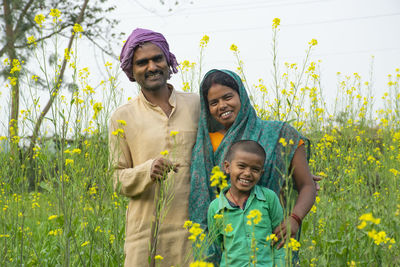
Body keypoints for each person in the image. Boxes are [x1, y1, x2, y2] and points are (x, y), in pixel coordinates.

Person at [189, 69, 316, 264]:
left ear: (242, 96)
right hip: (229, 248)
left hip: (272, 242)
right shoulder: (206, 144)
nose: (222, 106)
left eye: (228, 97)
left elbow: (306, 185)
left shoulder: (280, 133)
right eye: (213, 102)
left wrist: (295, 219)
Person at [109, 28, 200, 266]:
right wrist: (146, 171)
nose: (151, 67)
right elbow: (116, 178)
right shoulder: (122, 116)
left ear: (168, 61)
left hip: (194, 232)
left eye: (157, 58)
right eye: (142, 62)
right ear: (131, 70)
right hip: (145, 234)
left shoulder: (197, 105)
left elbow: (232, 149)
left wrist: (294, 165)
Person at [207, 140, 285, 267]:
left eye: (255, 169)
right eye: (241, 166)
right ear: (227, 167)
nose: (247, 173)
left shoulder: (269, 198)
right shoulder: (215, 208)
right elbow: (217, 245)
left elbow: (280, 241)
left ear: (261, 173)